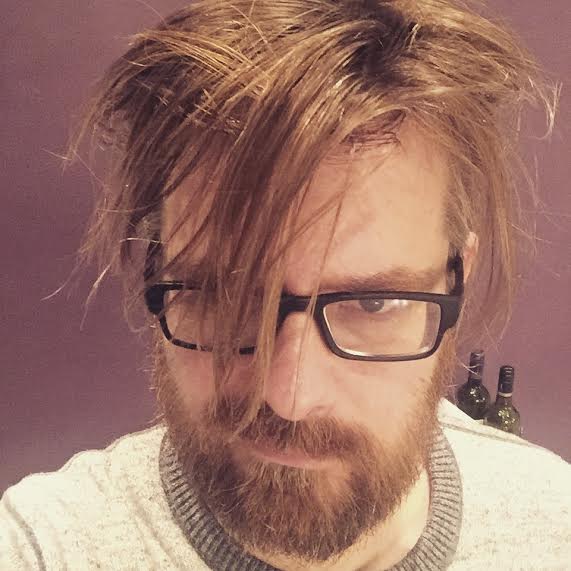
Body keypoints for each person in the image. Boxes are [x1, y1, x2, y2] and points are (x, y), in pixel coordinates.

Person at [1, 1, 569, 569]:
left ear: (458, 280)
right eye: (222, 297)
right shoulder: (43, 547)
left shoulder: (554, 525)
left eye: (373, 303)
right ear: (155, 268)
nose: (289, 398)